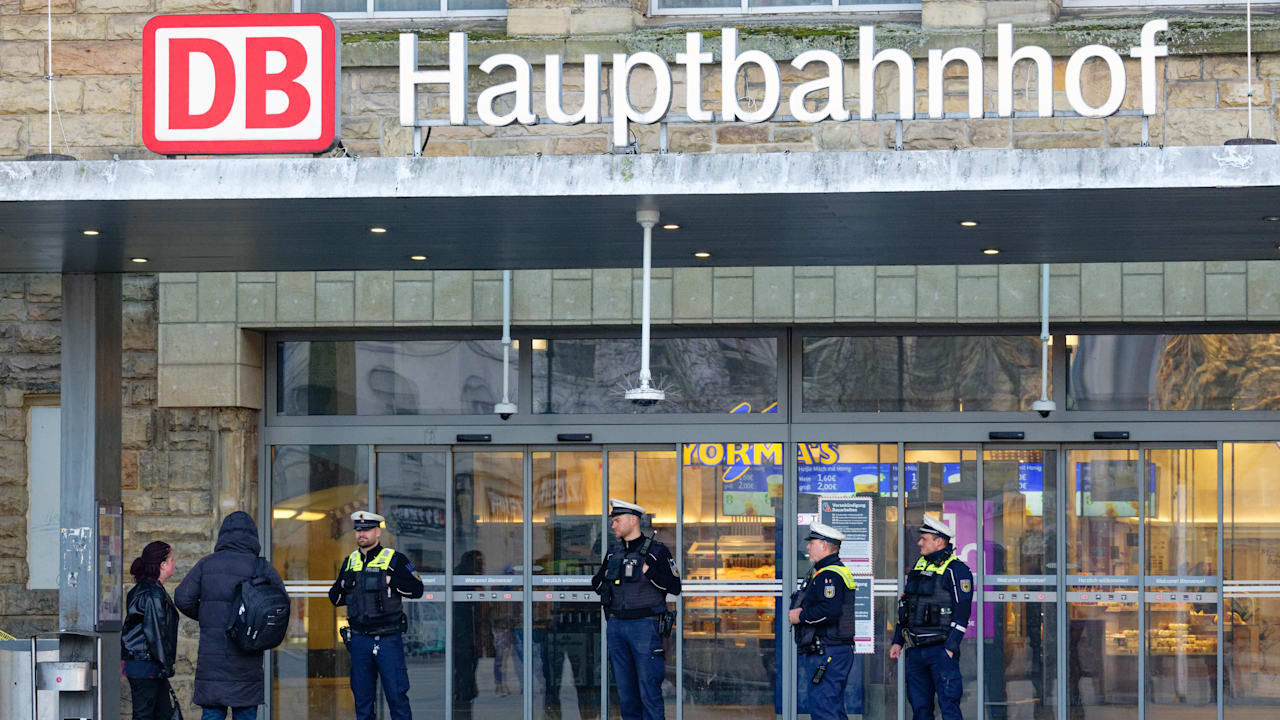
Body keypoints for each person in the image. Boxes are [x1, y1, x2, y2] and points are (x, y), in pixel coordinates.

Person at [175, 511, 286, 720]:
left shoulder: (207, 564)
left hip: (212, 665)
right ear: (253, 536)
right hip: (247, 662)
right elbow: (281, 605)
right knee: (245, 714)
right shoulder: (260, 567)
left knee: (211, 714)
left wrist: (208, 616)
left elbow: (182, 598)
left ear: (223, 535)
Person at [329, 510, 425, 720]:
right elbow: (334, 597)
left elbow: (417, 589)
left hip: (388, 639)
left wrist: (390, 581)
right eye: (358, 530)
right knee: (362, 701)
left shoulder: (394, 559)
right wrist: (345, 584)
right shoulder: (350, 562)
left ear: (377, 532)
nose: (361, 534)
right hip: (359, 639)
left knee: (397, 697)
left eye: (367, 530)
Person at [591, 499, 681, 720]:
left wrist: (648, 572)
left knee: (649, 691)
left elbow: (675, 587)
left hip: (645, 627)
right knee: (626, 693)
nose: (613, 525)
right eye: (613, 521)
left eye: (617, 521)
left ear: (633, 521)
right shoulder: (613, 552)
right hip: (617, 627)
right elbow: (597, 581)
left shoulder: (657, 551)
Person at [889, 514, 974, 720]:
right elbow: (907, 607)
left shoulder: (957, 570)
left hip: (940, 650)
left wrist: (950, 648)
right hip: (916, 650)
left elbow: (962, 612)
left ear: (938, 541)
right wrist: (898, 640)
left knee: (949, 707)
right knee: (920, 709)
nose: (919, 543)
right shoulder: (919, 566)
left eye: (924, 539)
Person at [789, 523, 858, 720]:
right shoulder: (824, 571)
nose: (808, 547)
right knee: (830, 709)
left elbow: (830, 610)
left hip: (828, 651)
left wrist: (799, 616)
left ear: (825, 545)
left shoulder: (830, 574)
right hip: (829, 650)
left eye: (812, 543)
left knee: (824, 710)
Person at [123, 541, 180, 720]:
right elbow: (155, 633)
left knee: (162, 714)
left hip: (145, 664)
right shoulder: (152, 593)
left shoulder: (146, 589)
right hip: (147, 664)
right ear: (162, 565)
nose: (174, 563)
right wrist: (166, 665)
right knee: (146, 715)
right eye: (171, 559)